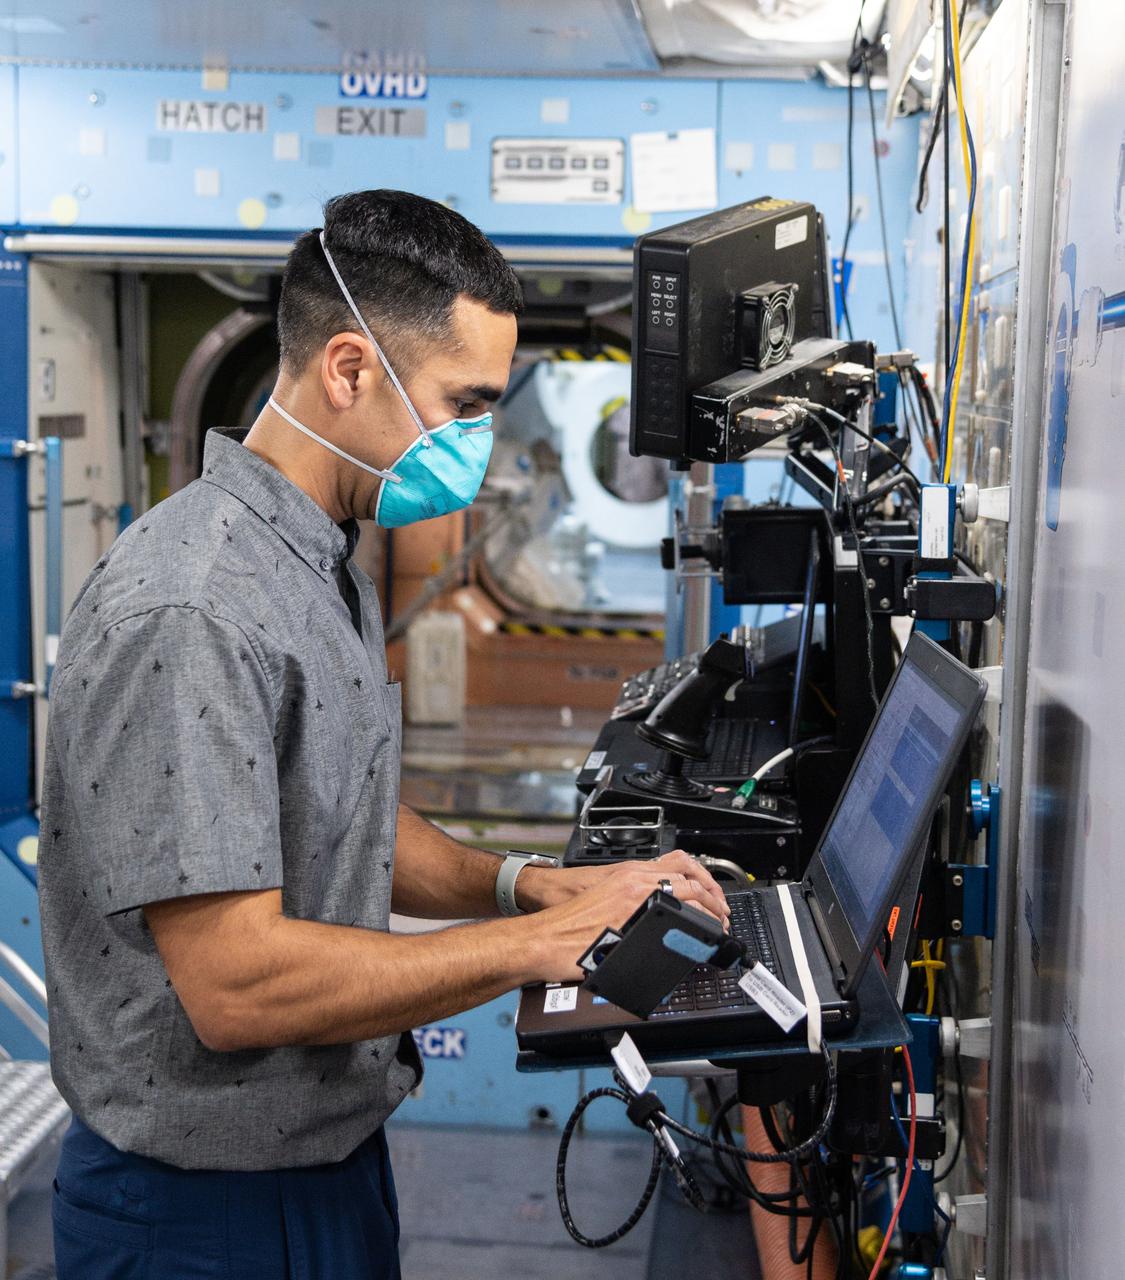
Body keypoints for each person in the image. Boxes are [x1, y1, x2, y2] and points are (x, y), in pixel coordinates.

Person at [37, 188, 728, 1279]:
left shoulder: (322, 558)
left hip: (329, 1167)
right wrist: (539, 950)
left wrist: (527, 885)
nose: (479, 441)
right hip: (196, 1216)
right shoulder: (196, 604)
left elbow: (339, 812)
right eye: (464, 402)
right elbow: (237, 985)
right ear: (349, 368)